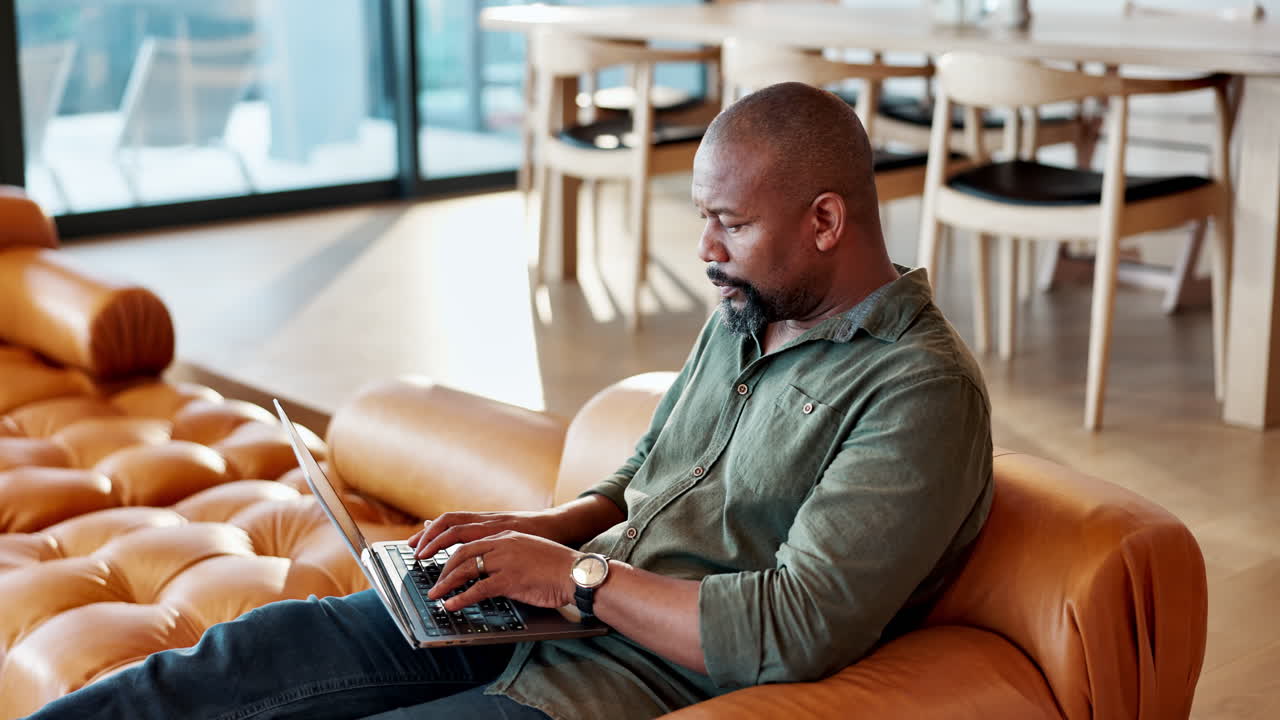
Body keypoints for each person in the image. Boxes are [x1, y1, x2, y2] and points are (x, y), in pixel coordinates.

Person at [27, 81, 993, 720]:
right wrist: (534, 533)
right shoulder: (752, 307)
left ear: (826, 220)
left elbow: (795, 626)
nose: (704, 250)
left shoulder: (918, 392)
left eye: (728, 223)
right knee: (242, 658)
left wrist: (573, 580)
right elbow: (643, 478)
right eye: (702, 218)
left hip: (619, 673)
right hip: (548, 611)